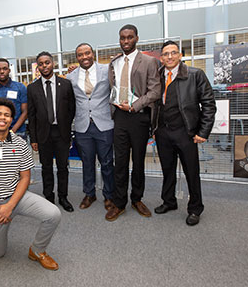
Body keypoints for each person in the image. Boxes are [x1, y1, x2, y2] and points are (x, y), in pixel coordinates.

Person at [0, 98, 61, 271]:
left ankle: (37, 251)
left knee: (53, 214)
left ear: (11, 119)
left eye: (7, 115)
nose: (3, 118)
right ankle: (3, 223)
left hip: (17, 197)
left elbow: (24, 178)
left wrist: (10, 206)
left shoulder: (20, 144)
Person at [153, 40, 216, 226]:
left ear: (180, 55)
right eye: (165, 54)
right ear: (161, 58)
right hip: (163, 133)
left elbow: (209, 105)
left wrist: (203, 131)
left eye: (173, 53)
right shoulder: (157, 76)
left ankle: (195, 208)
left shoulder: (195, 75)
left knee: (191, 173)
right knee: (167, 171)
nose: (169, 56)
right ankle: (169, 202)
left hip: (186, 133)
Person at [105, 24, 161, 221]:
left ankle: (137, 199)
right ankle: (119, 203)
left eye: (129, 37)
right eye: (122, 38)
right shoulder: (114, 62)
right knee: (119, 162)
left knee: (138, 162)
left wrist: (135, 105)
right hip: (119, 117)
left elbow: (155, 91)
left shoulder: (149, 61)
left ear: (137, 38)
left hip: (138, 116)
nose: (125, 41)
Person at [66, 43, 115, 210]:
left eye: (87, 53)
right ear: (77, 57)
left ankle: (109, 196)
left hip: (104, 124)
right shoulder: (71, 77)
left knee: (107, 163)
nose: (84, 57)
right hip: (82, 126)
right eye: (80, 54)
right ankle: (89, 194)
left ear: (92, 54)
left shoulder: (107, 70)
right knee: (87, 163)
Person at [27, 51, 76, 212]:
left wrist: (68, 131)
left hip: (61, 133)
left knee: (63, 167)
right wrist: (33, 138)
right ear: (37, 67)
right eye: (40, 64)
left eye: (47, 62)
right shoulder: (32, 88)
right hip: (43, 135)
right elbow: (31, 115)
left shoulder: (66, 84)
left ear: (52, 63)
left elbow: (71, 109)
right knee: (46, 167)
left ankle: (63, 197)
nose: (44, 66)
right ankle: (49, 197)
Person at [0, 58, 28, 139]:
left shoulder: (20, 87)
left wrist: (12, 131)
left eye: (4, 69)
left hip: (18, 132)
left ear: (9, 70)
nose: (2, 71)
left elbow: (25, 112)